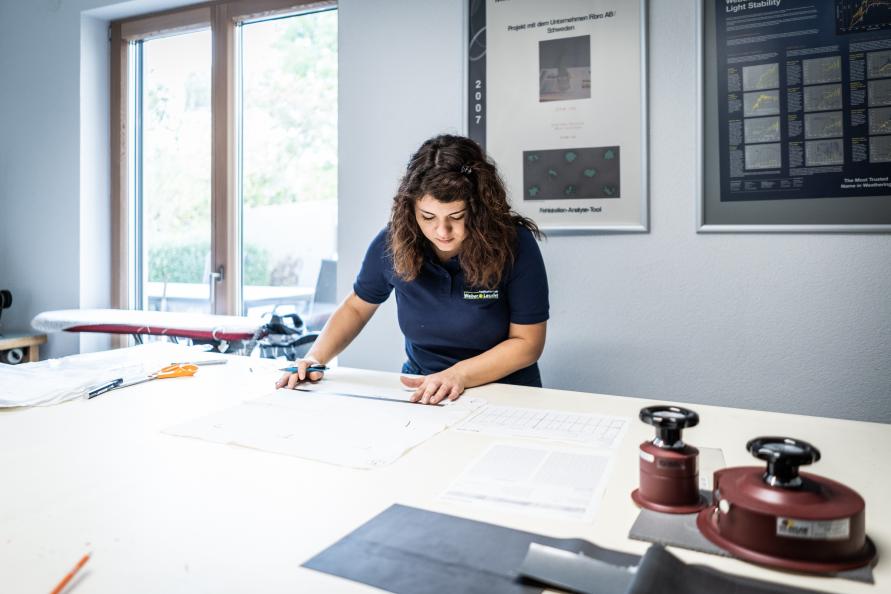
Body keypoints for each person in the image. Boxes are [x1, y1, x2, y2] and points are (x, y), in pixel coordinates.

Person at [276, 134, 549, 404]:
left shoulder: (514, 244)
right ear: (411, 208)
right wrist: (315, 358)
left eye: (457, 217)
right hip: (422, 387)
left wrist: (458, 375)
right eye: (428, 217)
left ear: (480, 211)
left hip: (506, 390)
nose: (442, 231)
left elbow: (527, 343)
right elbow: (356, 308)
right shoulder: (394, 242)